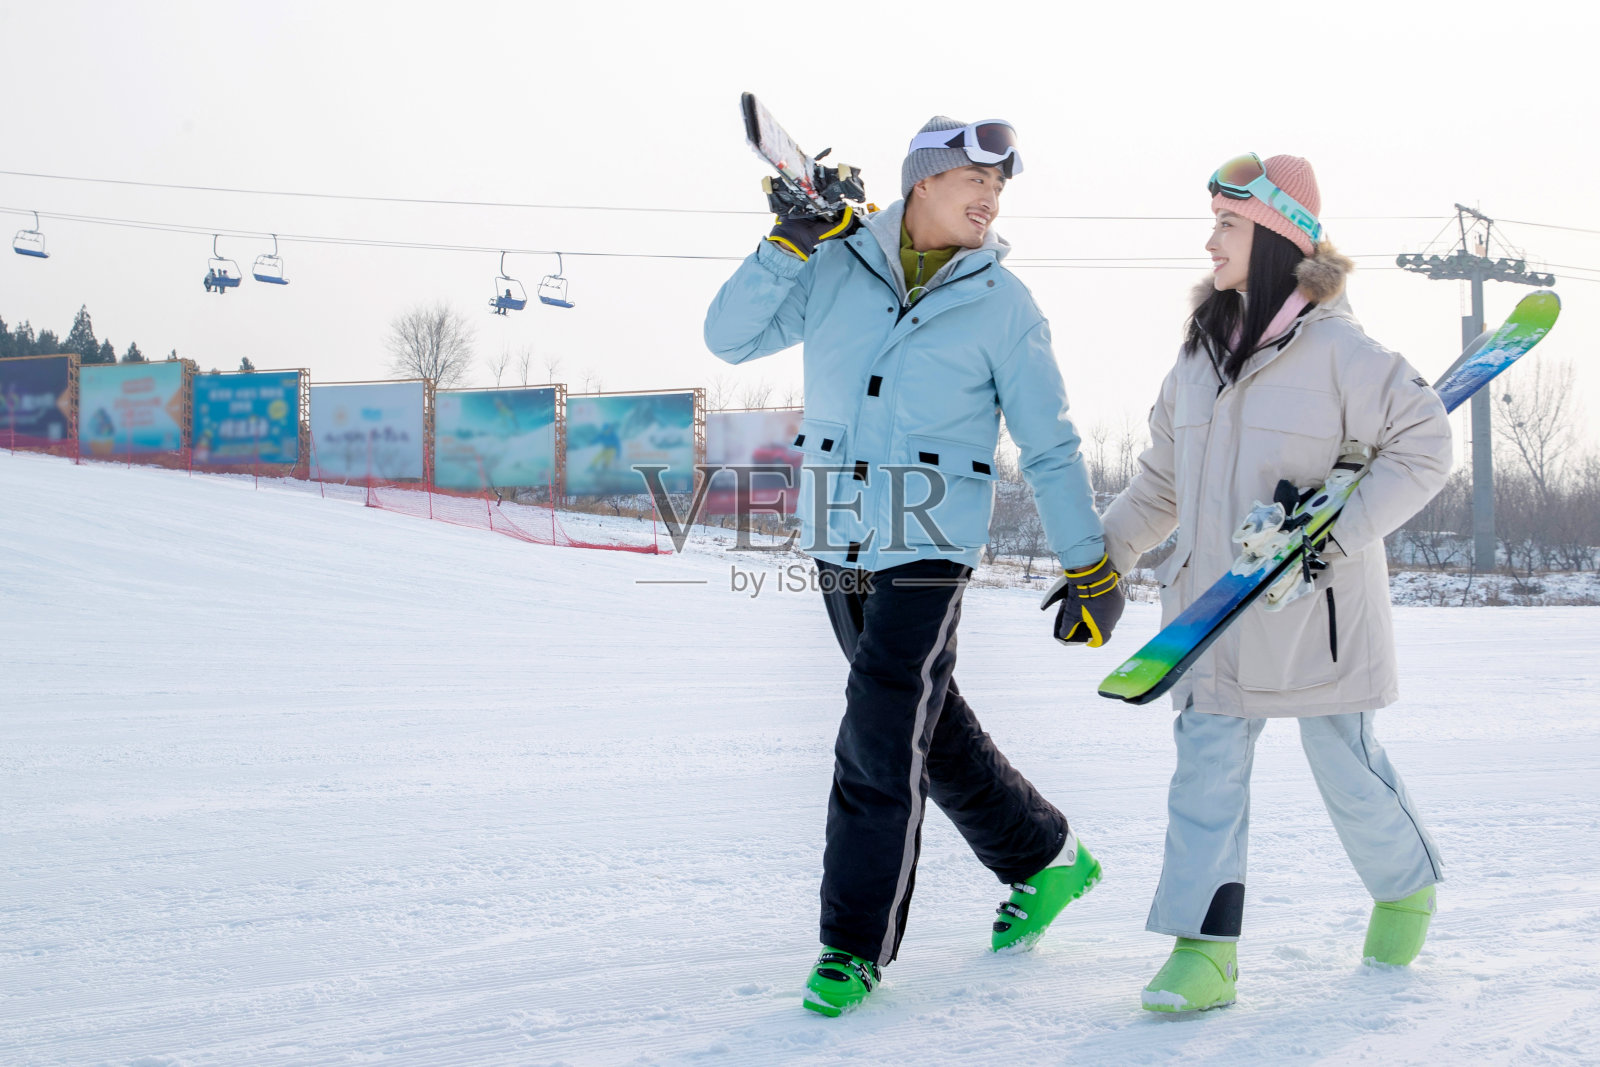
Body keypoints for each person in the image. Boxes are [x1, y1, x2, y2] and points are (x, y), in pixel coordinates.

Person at [705, 117, 1124, 1016]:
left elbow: (1049, 445)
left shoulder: (1005, 305)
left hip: (931, 544)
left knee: (879, 724)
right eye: (973, 180)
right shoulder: (833, 262)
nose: (989, 200)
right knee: (921, 719)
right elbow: (730, 339)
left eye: (999, 189)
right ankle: (1046, 857)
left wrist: (1089, 563)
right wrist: (786, 243)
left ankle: (852, 946)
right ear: (921, 182)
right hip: (839, 533)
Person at [1101, 154, 1452, 1014]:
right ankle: (1204, 951)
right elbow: (1160, 483)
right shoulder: (1196, 358)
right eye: (1214, 221)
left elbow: (1425, 448)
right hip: (1211, 616)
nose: (1210, 240)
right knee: (1206, 772)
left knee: (1348, 765)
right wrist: (1099, 560)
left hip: (1314, 613)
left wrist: (1331, 535)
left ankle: (1407, 885)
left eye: (1227, 224)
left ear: (1273, 240)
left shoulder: (1340, 350)